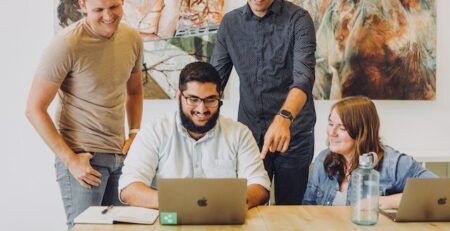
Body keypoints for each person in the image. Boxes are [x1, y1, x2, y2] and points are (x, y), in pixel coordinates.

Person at [25, 0, 143, 228]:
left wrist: (135, 131)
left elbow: (135, 91)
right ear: (83, 4)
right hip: (84, 160)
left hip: (120, 156)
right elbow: (33, 108)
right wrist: (70, 160)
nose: (108, 16)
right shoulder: (66, 44)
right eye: (98, 10)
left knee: (123, 229)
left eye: (114, 7)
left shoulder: (132, 38)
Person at [119, 62, 270, 209]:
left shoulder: (239, 134)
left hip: (223, 221)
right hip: (169, 220)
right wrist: (179, 203)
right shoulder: (155, 131)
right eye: (193, 99)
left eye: (210, 99)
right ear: (179, 96)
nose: (202, 109)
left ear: (219, 97)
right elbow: (129, 187)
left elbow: (260, 185)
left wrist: (232, 202)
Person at [210, 0, 317, 205]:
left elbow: (304, 77)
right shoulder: (230, 24)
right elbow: (215, 80)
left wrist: (284, 118)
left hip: (293, 135)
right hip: (250, 134)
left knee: (289, 211)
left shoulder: (299, 19)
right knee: (248, 206)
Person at [302, 96, 437, 208]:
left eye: (342, 128)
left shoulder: (393, 164)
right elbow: (308, 209)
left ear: (361, 132)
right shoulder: (323, 159)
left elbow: (438, 193)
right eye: (331, 124)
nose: (331, 133)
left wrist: (381, 201)